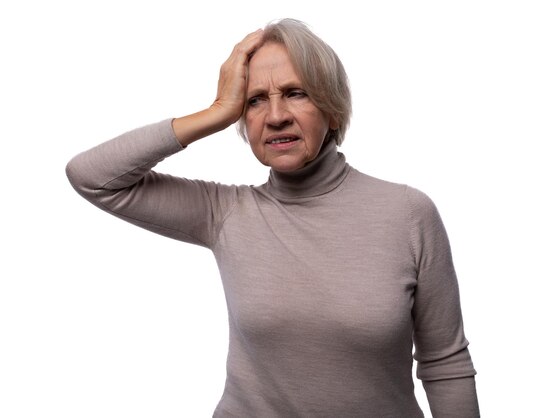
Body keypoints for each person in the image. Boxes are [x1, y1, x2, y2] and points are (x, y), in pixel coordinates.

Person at [66, 18, 479, 418]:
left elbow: (445, 363)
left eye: (296, 92)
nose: (276, 115)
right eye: (255, 100)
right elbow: (92, 177)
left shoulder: (408, 214)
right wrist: (215, 112)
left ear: (333, 111)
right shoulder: (226, 213)